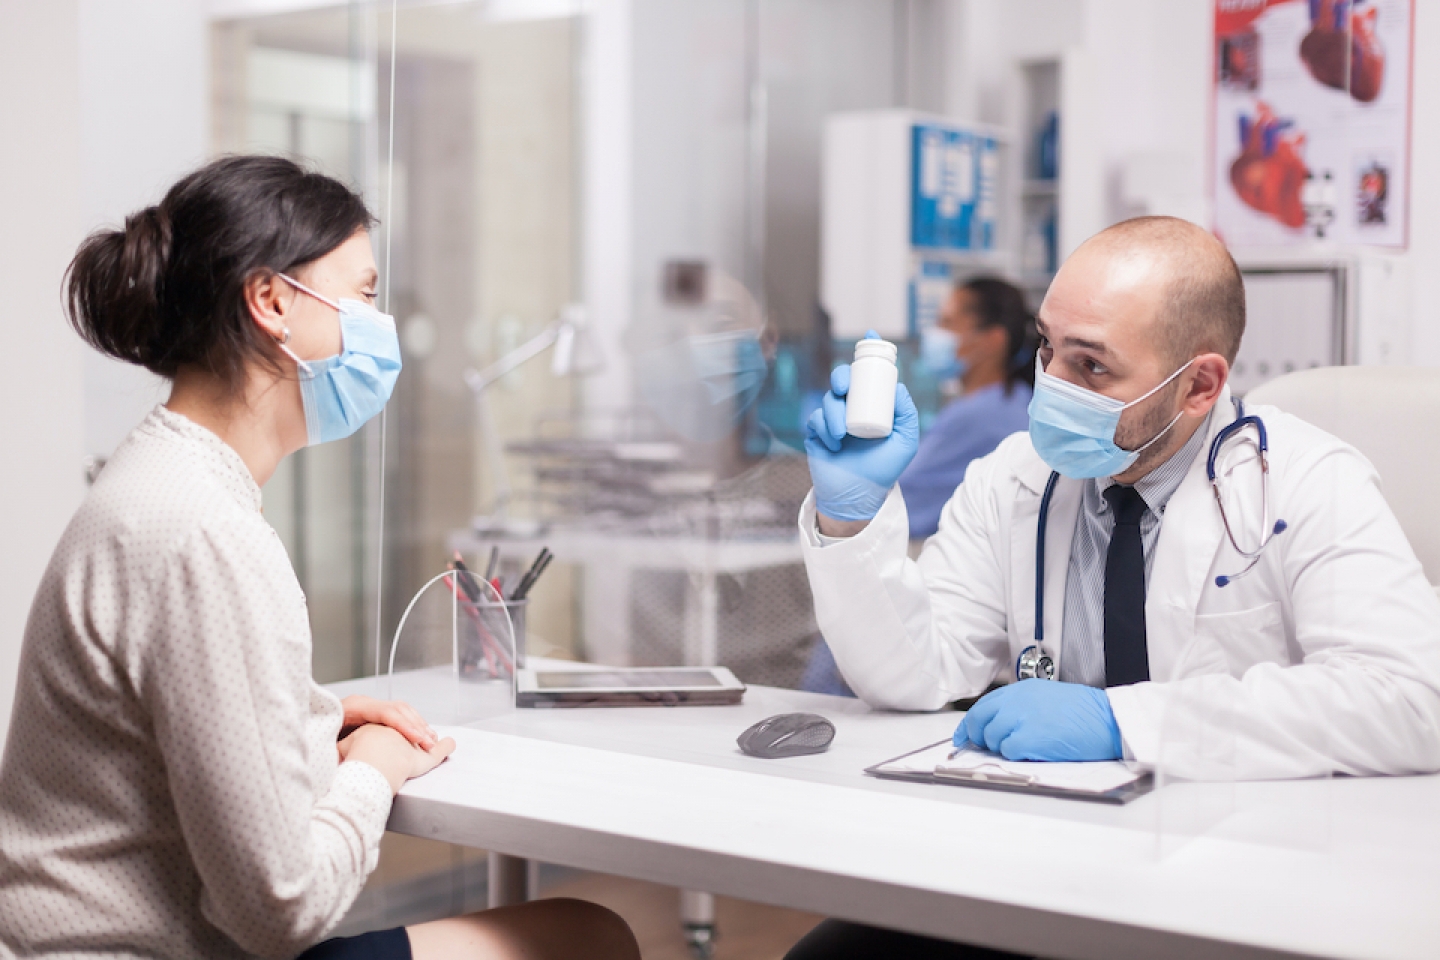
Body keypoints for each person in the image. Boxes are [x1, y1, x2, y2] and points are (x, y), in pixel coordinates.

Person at [0, 156, 640, 960]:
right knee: (588, 937)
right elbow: (280, 911)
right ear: (271, 302)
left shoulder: (158, 481)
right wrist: (373, 765)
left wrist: (317, 723)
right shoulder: (205, 532)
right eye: (366, 294)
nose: (380, 323)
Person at [789, 216, 1440, 959]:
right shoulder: (1014, 477)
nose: (1051, 387)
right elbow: (915, 674)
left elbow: (1410, 697)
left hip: (1249, 877)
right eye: (1047, 348)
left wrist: (1122, 722)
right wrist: (851, 518)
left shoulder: (1305, 478)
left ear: (1199, 385)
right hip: (1049, 860)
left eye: (1092, 368)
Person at [899, 277, 1035, 540]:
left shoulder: (983, 416)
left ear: (992, 340)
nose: (935, 333)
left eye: (947, 323)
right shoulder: (1015, 400)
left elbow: (906, 500)